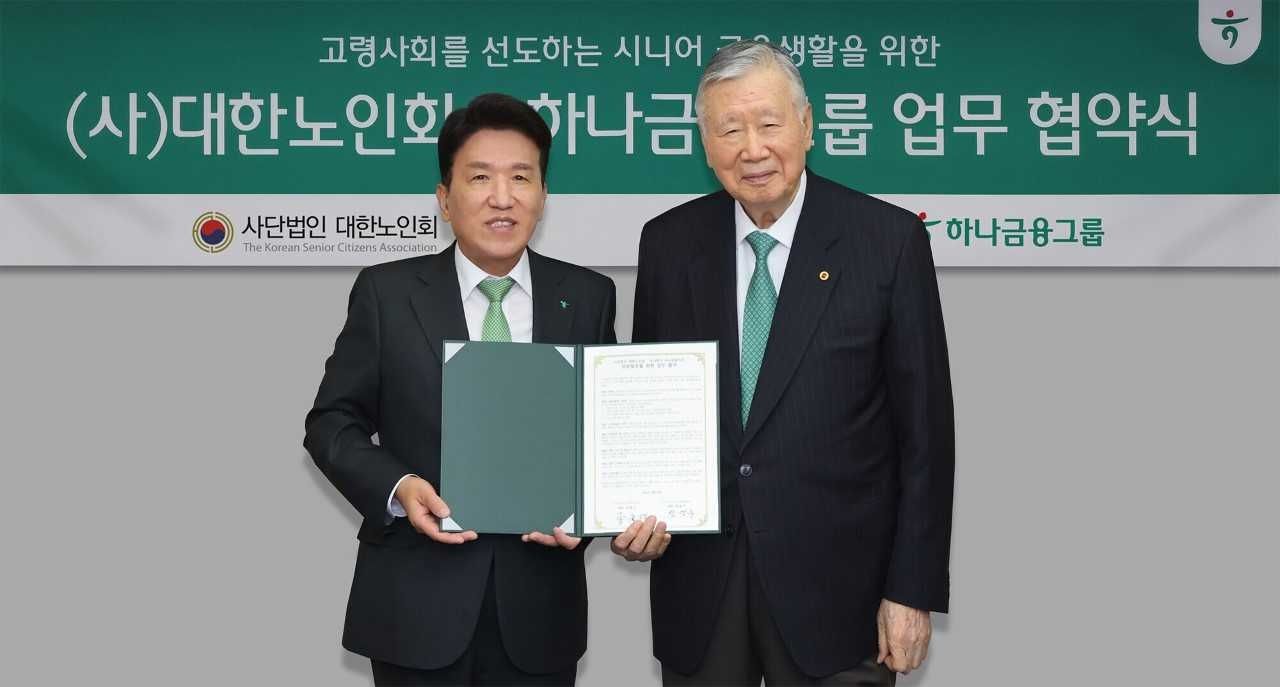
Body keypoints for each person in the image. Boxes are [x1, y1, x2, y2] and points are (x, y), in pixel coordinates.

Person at [612, 40, 954, 685]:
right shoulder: (668, 242)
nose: (752, 148)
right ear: (704, 143)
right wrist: (631, 507)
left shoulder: (887, 241)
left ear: (807, 126)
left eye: (769, 124)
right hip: (701, 586)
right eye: (728, 129)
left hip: (841, 594)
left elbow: (926, 437)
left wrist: (912, 589)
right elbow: (650, 409)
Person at [305, 93, 616, 686]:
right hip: (413, 609)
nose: (503, 197)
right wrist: (398, 486)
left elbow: (604, 431)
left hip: (540, 614)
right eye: (480, 178)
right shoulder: (387, 294)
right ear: (445, 199)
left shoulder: (588, 296)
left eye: (522, 177)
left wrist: (589, 512)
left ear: (544, 194)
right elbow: (330, 422)